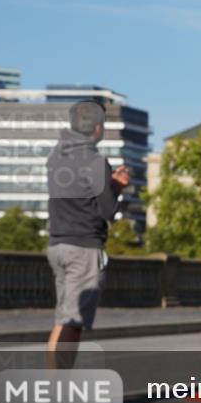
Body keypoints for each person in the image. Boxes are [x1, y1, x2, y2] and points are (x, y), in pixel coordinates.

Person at [45, 100, 130, 368]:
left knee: (63, 319)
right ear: (96, 128)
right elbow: (107, 210)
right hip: (83, 246)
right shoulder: (94, 161)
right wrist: (116, 187)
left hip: (58, 243)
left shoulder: (56, 156)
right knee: (73, 322)